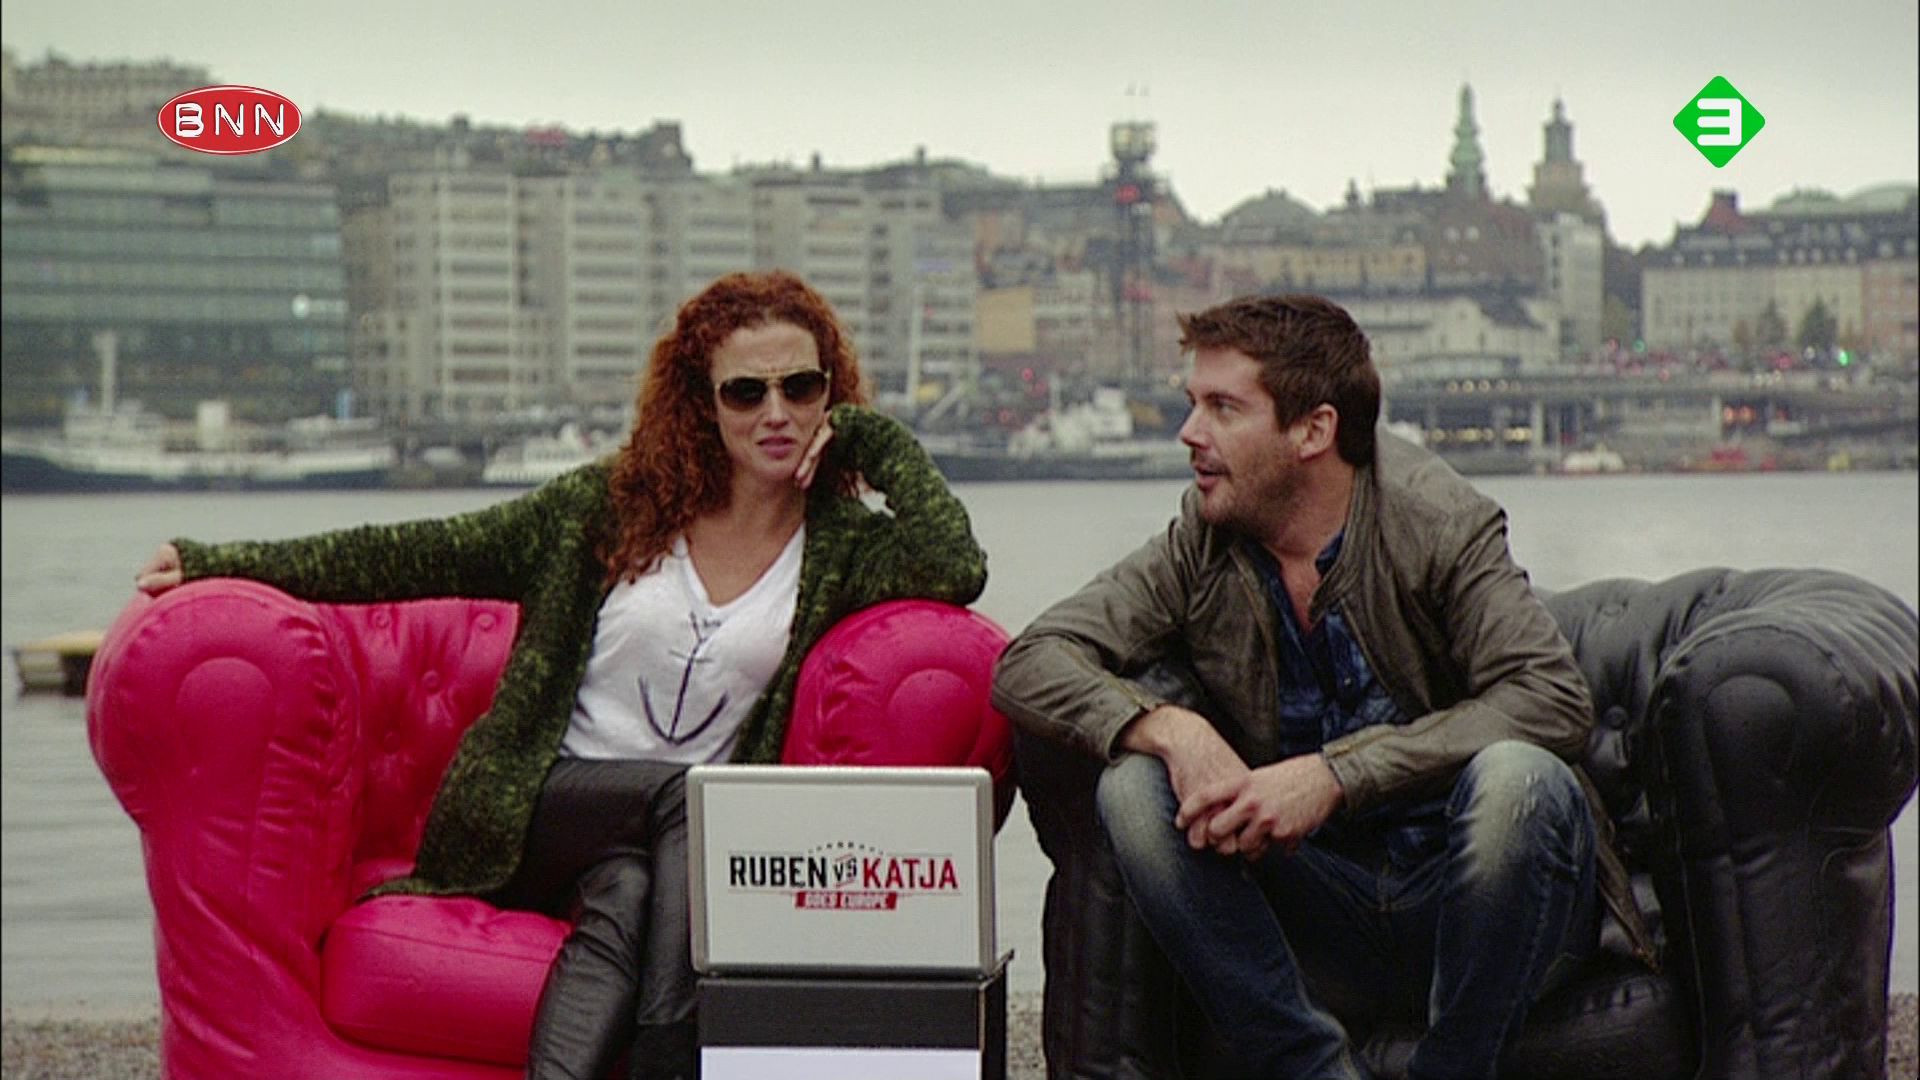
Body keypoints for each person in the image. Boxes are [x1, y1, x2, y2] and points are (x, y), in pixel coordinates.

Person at [135, 270, 987, 1080]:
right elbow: (416, 552)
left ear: (829, 394)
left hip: (670, 855)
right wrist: (219, 560)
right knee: (690, 799)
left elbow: (955, 564)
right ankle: (671, 1055)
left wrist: (874, 439)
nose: (776, 413)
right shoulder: (608, 508)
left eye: (801, 387)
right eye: (744, 392)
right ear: (702, 402)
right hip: (537, 805)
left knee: (627, 893)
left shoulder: (840, 548)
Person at [991, 294, 1651, 1080]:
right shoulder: (1203, 538)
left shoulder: (1438, 520)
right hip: (1322, 907)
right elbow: (1031, 660)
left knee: (1522, 779)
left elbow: (1551, 698)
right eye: (1192, 403)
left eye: (1223, 408)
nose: (1189, 432)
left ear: (1313, 430)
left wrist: (1335, 776)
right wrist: (1170, 728)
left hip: (1479, 908)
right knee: (1135, 789)